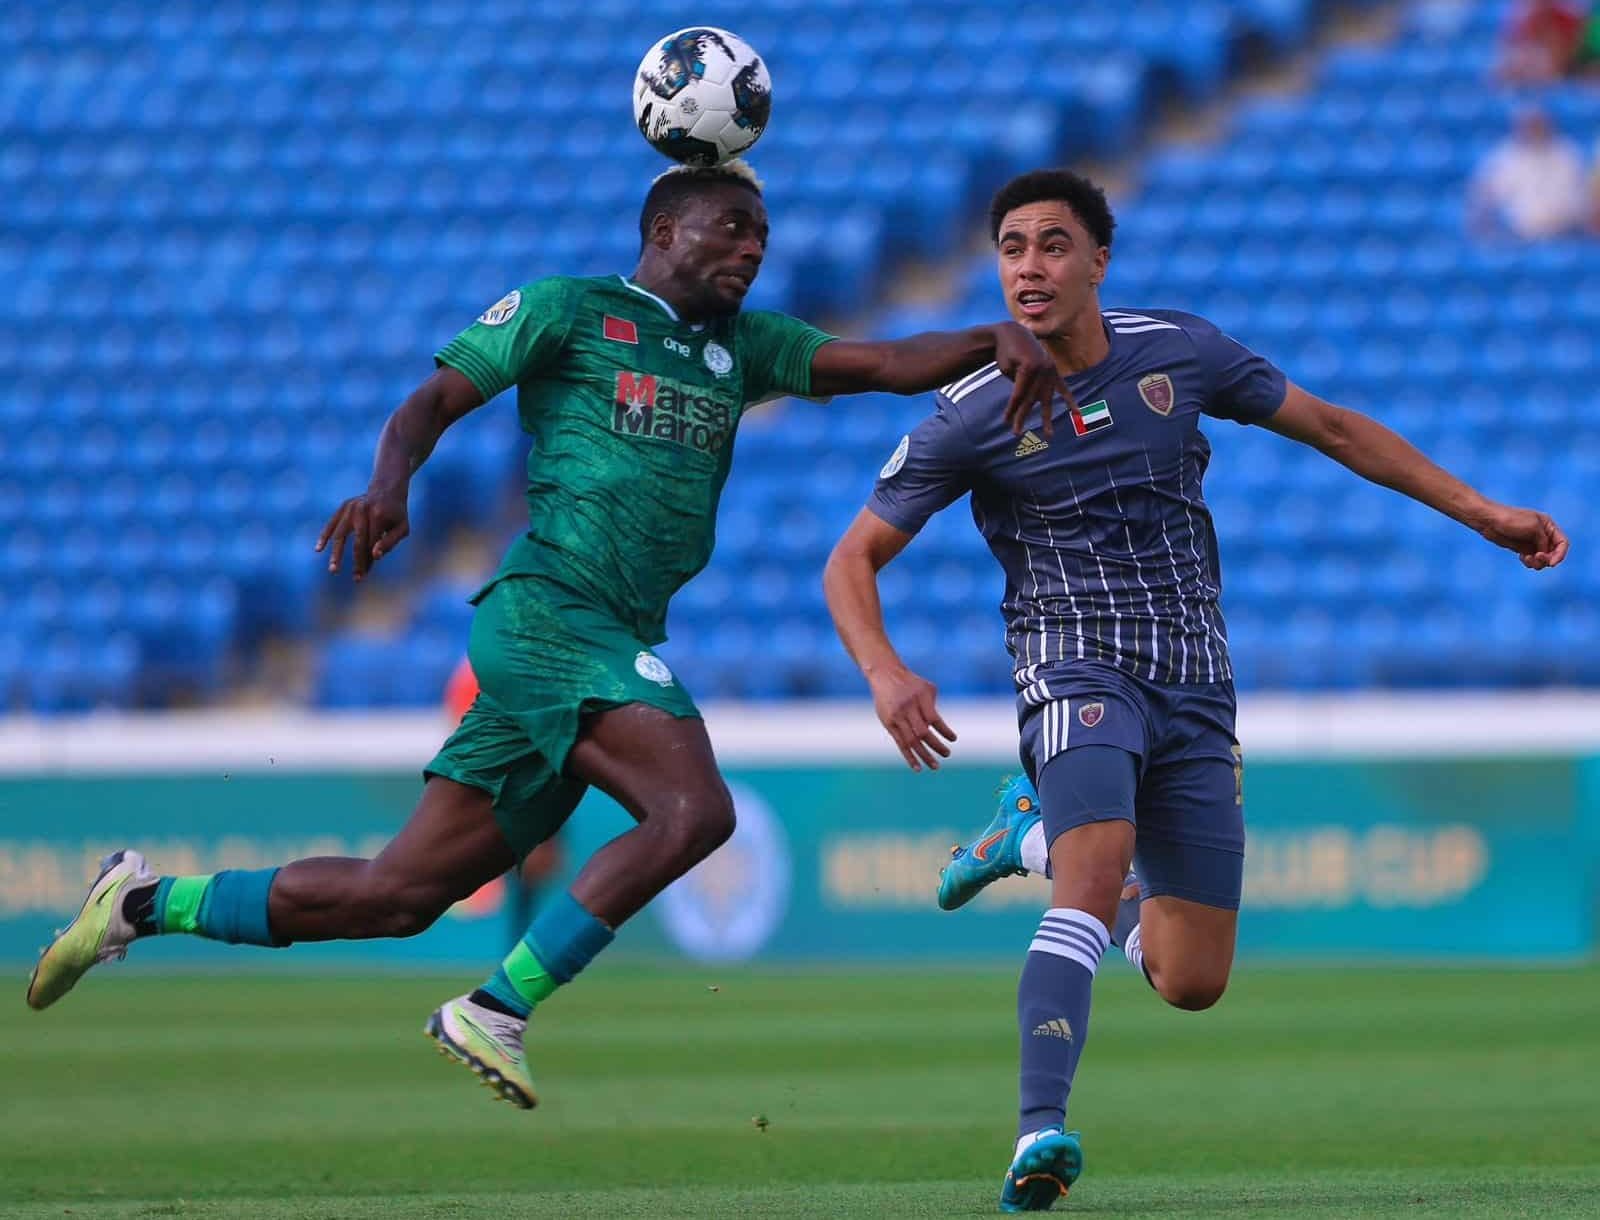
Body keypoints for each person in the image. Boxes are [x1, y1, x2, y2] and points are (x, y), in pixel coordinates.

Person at [26, 160, 1072, 1112]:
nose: (753, 248)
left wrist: (994, 337)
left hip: (595, 637)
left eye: (762, 233)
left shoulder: (745, 346)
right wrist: (390, 487)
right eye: (731, 228)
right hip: (549, 614)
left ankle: (142, 902)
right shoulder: (569, 310)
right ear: (664, 231)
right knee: (693, 808)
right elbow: (434, 397)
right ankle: (500, 1004)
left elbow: (885, 360)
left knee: (403, 893)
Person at [821, 168, 1569, 1212]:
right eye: (1010, 248)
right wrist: (885, 670)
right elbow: (850, 559)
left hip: (1195, 678)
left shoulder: (1177, 349)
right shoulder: (972, 412)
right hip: (1073, 662)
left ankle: (1019, 837)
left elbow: (1336, 427)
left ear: (1097, 261)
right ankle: (1040, 1129)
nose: (1027, 268)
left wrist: (1481, 511)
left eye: (1050, 245)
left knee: (1190, 977)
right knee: (1096, 867)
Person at [444, 656, 564, 947]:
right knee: (520, 862)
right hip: (509, 776)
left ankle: (526, 942)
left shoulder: (542, 660)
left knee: (538, 867)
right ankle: (519, 944)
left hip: (546, 771)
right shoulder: (480, 666)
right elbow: (463, 723)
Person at [1467, 105, 1588, 240]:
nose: (1534, 131)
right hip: (1518, 237)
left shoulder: (1567, 154)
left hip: (1563, 233)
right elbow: (1485, 194)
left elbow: (1579, 197)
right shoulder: (1506, 156)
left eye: (1538, 125)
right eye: (1529, 126)